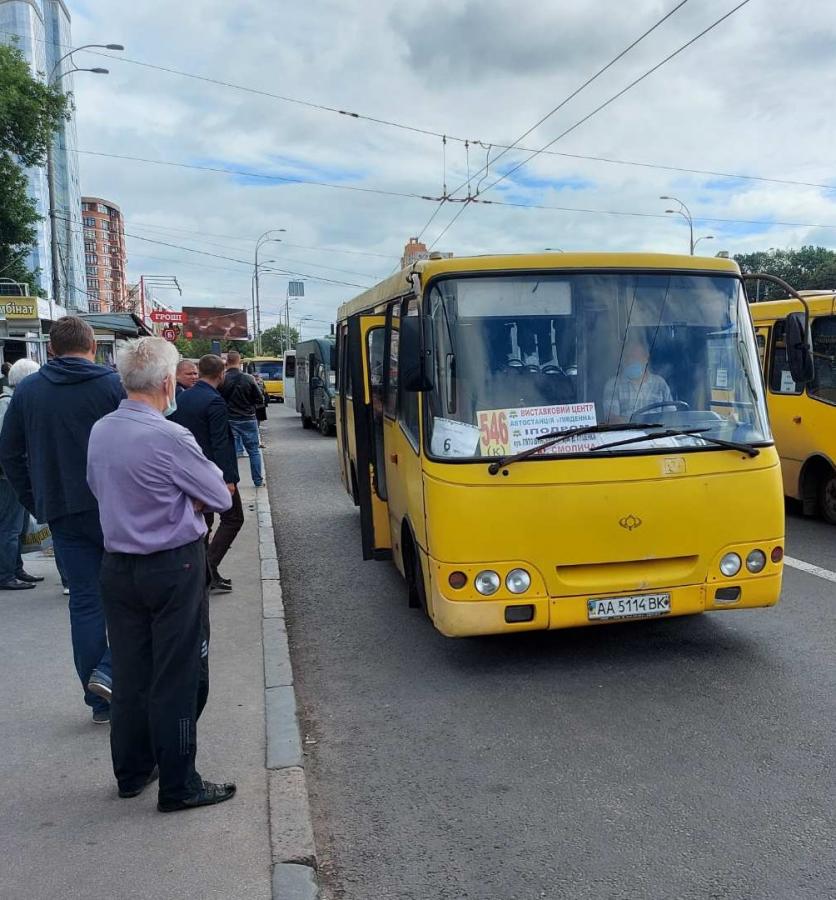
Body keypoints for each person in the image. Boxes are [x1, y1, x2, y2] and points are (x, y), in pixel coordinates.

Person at [87, 337, 236, 812]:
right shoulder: (170, 436)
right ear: (169, 382)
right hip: (173, 565)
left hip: (118, 566)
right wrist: (185, 498)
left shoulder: (102, 430)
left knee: (131, 673)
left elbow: (101, 487)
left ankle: (132, 772)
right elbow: (221, 495)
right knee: (178, 674)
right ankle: (180, 783)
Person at [0, 317, 122, 725]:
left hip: (62, 511)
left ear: (51, 349)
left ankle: (100, 701)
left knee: (86, 603)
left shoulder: (28, 391)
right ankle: (110, 672)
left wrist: (34, 499)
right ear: (92, 345)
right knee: (130, 595)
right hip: (115, 508)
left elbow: (10, 452)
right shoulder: (110, 385)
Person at [170, 354, 243, 593]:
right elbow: (221, 442)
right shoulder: (214, 401)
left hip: (188, 471)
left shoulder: (182, 397)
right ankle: (207, 569)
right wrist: (230, 479)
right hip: (212, 472)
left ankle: (203, 574)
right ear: (221, 374)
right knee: (233, 518)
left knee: (204, 523)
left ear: (200, 372)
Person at [0, 359, 42, 590]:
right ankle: (6, 573)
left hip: (12, 474)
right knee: (10, 526)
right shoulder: (8, 404)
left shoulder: (13, 402)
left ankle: (15, 568)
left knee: (17, 525)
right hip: (7, 477)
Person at [219, 351, 264, 487]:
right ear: (239, 362)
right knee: (254, 451)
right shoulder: (248, 378)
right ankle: (257, 481)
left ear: (227, 362)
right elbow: (259, 398)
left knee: (229, 452)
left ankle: (232, 482)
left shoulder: (222, 379)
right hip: (248, 418)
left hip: (229, 419)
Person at [602, 336, 673, 422]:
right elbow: (612, 420)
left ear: (646, 358)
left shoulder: (660, 384)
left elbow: (671, 417)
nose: (630, 361)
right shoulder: (613, 385)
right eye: (627, 357)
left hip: (659, 434)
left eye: (634, 357)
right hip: (626, 435)